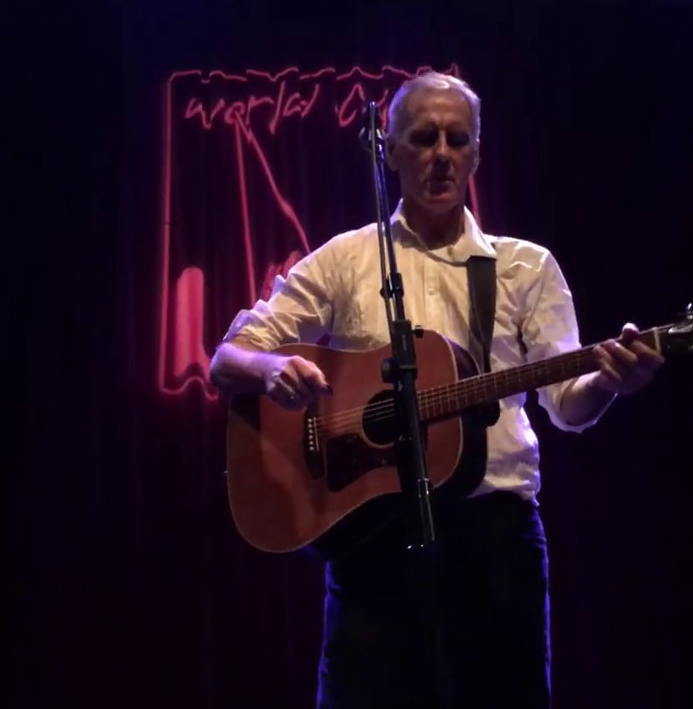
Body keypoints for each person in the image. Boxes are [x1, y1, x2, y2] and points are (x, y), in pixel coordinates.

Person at [209, 71, 664, 709]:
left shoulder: (523, 267)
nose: (441, 154)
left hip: (494, 536)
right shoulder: (346, 260)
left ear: (478, 151)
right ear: (390, 151)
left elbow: (568, 404)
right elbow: (228, 358)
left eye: (457, 139)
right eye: (423, 139)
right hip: (373, 539)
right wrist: (269, 371)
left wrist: (612, 383)